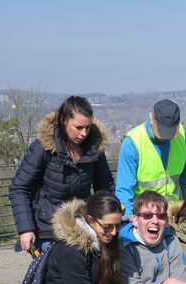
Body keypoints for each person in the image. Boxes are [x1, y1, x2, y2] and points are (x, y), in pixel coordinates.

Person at [9, 95, 114, 253]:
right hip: (47, 229)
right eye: (78, 127)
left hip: (82, 225)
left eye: (87, 127)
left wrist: (112, 218)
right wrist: (25, 229)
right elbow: (19, 188)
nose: (84, 133)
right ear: (64, 120)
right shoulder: (41, 148)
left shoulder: (94, 150)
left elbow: (105, 187)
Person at [116, 99, 186, 217]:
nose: (166, 137)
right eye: (162, 131)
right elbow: (124, 192)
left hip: (173, 215)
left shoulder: (181, 135)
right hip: (145, 219)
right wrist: (127, 224)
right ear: (152, 119)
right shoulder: (133, 143)